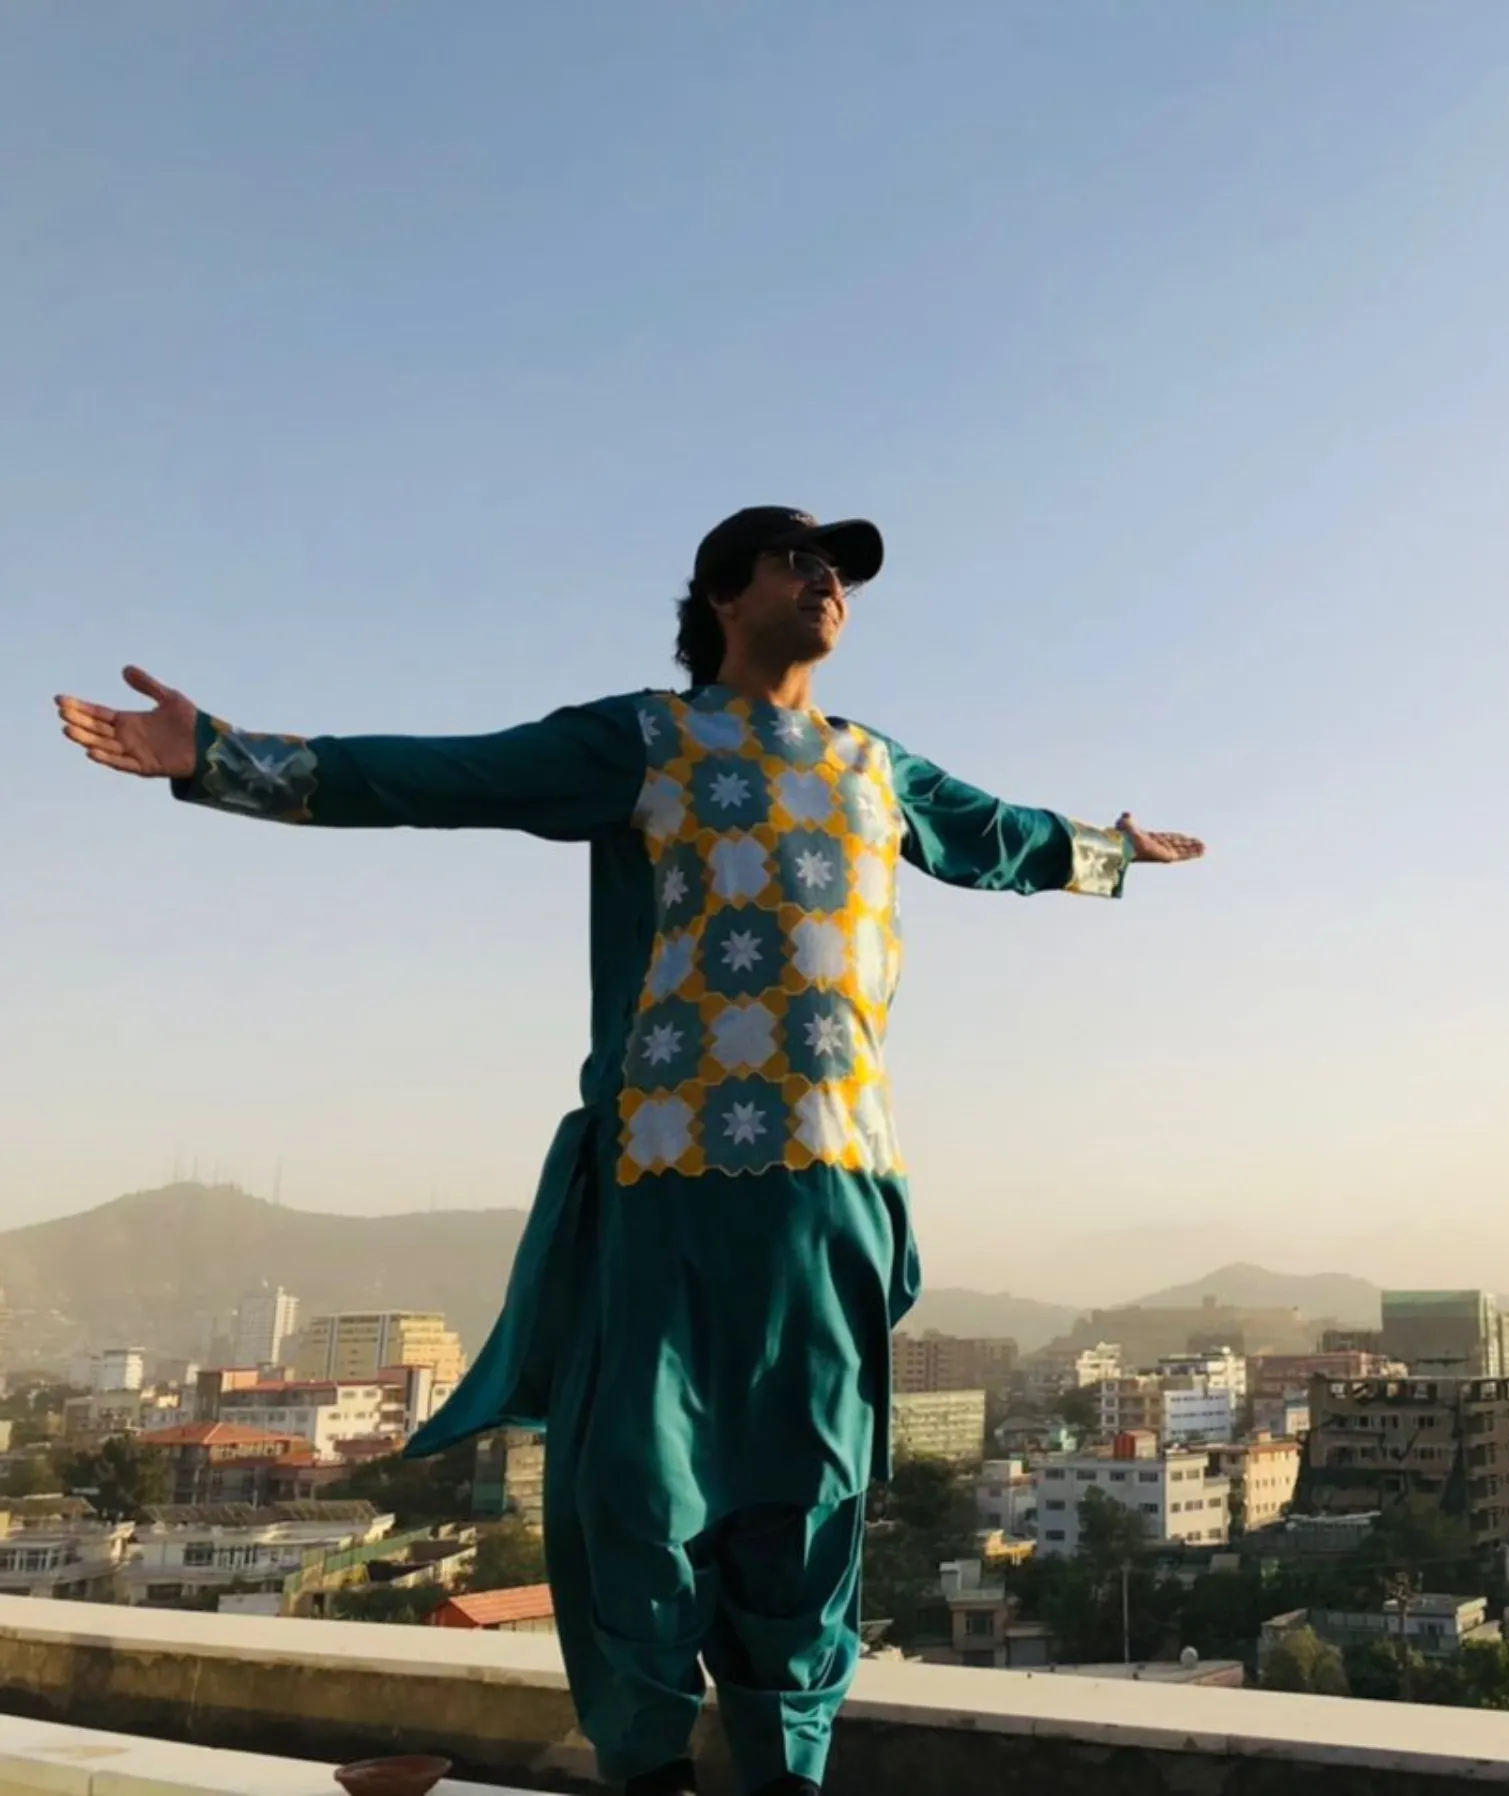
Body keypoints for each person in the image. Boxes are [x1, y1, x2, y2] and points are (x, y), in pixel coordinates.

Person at [54, 506, 1205, 1796]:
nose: (828, 582)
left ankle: (786, 1769)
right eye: (797, 559)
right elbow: (442, 775)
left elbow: (1003, 836)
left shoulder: (876, 767)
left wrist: (1112, 853)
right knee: (636, 1495)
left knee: (809, 1496)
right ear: (722, 593)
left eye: (842, 571)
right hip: (667, 1180)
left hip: (838, 1191)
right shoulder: (646, 740)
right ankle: (650, 1767)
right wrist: (216, 754)